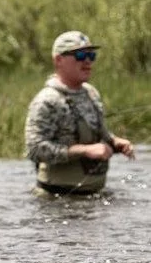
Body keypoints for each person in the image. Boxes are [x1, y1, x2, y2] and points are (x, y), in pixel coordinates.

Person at [25, 30, 134, 197]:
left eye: (91, 55)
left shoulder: (91, 93)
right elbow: (35, 149)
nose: (88, 61)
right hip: (56, 202)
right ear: (58, 60)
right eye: (80, 55)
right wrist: (84, 151)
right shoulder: (47, 100)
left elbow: (98, 134)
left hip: (95, 196)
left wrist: (114, 142)